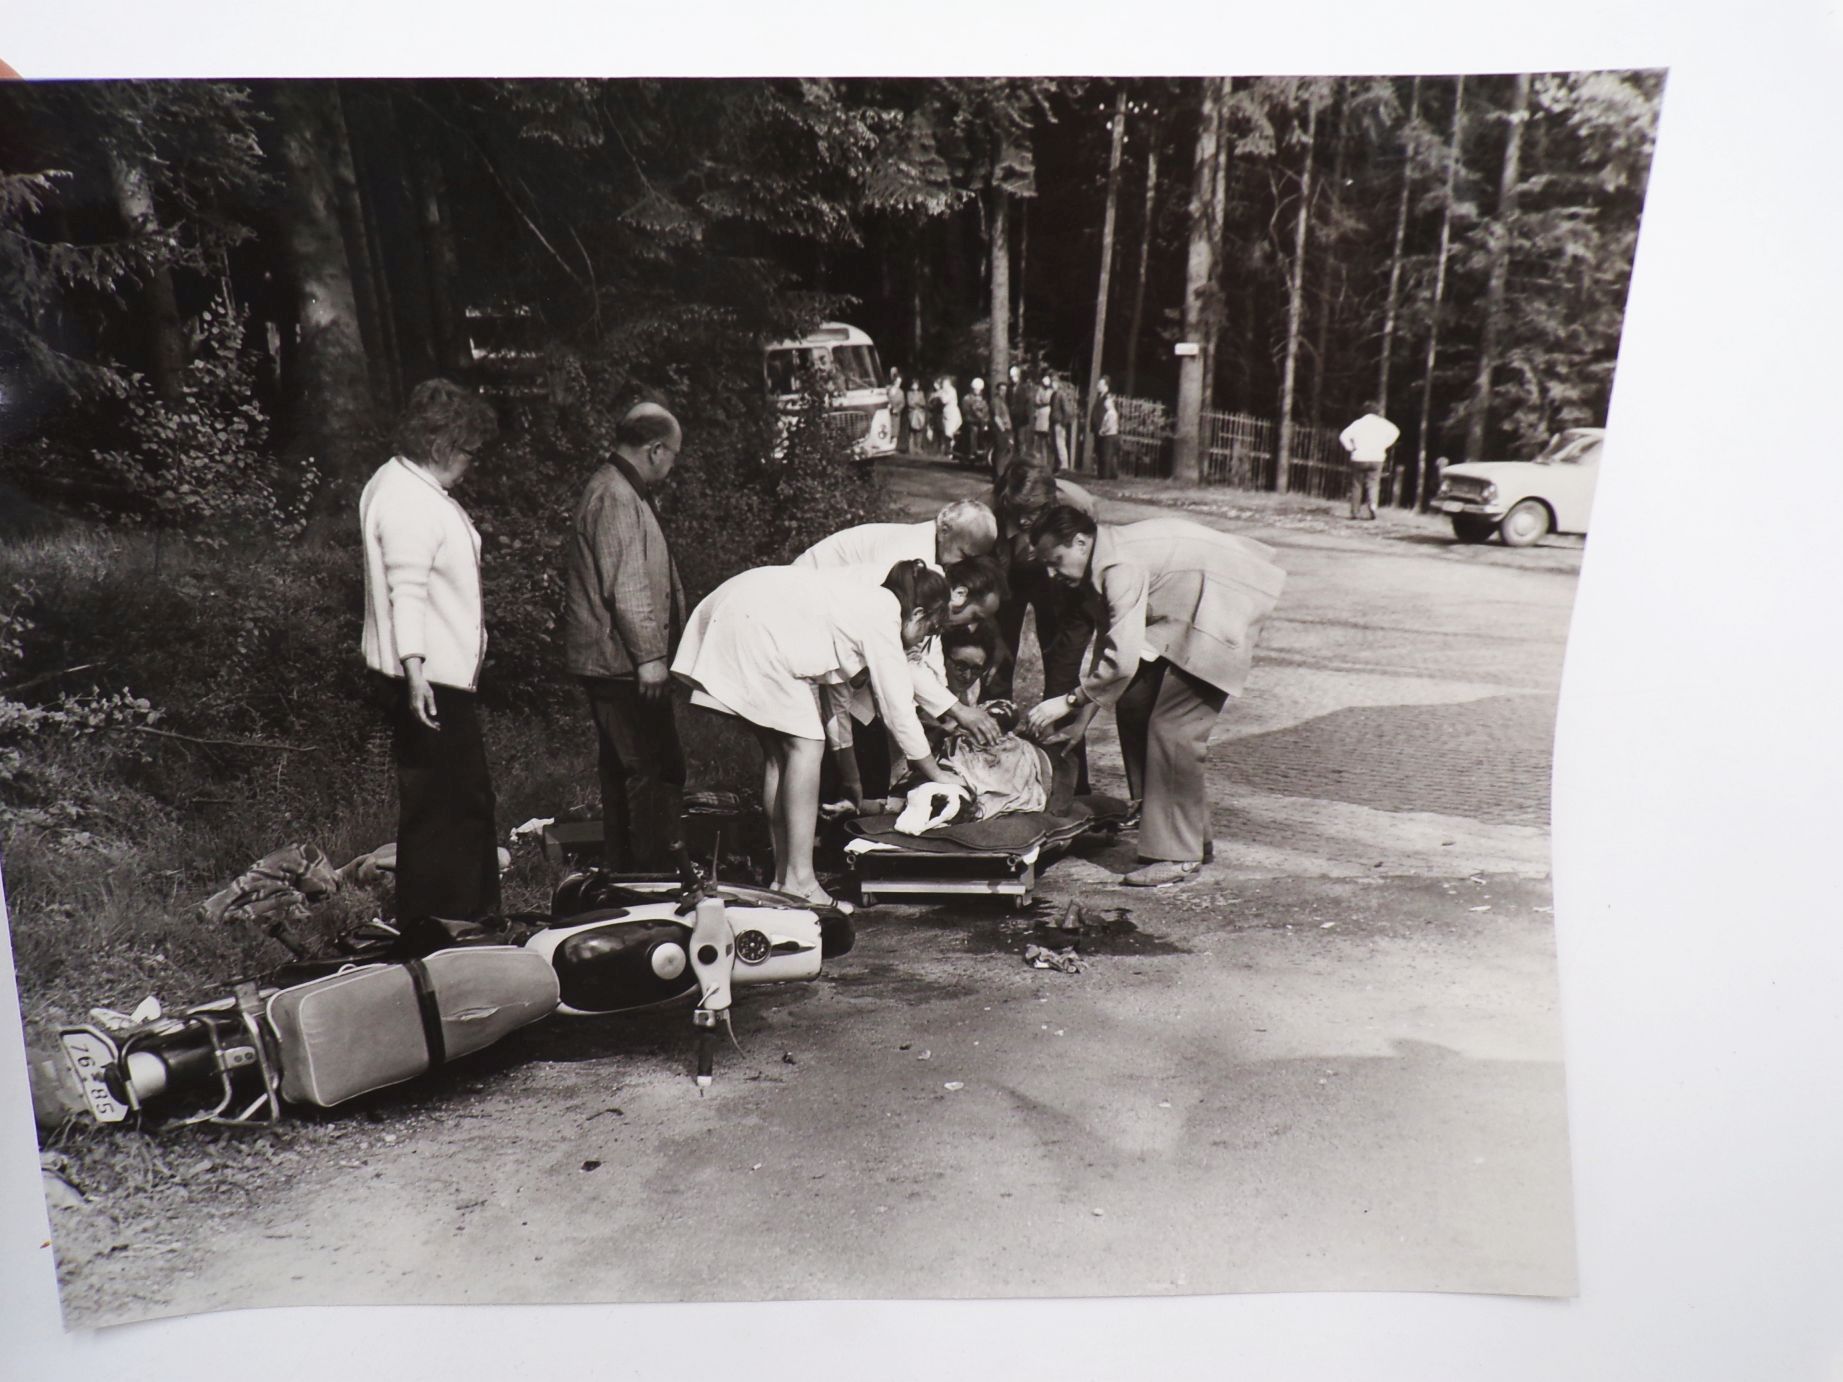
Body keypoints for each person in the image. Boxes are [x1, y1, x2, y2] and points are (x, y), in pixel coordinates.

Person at [1027, 505, 1286, 887]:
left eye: (1056, 561)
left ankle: (1177, 854)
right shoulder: (1100, 561)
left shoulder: (1118, 567)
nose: (1051, 573)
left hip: (1222, 603)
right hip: (1191, 604)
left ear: (1080, 542)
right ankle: (1188, 834)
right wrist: (1081, 723)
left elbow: (1122, 661)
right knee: (1134, 704)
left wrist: (1067, 702)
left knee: (1173, 730)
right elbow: (1111, 645)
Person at [671, 560, 955, 908]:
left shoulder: (861, 607)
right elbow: (899, 711)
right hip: (753, 623)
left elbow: (836, 707)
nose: (925, 639)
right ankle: (802, 882)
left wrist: (852, 780)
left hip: (739, 610)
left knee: (782, 753)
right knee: (806, 744)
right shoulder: (884, 614)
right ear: (918, 613)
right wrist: (939, 777)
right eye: (930, 629)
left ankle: (783, 878)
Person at [359, 378, 502, 950]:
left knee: (450, 803)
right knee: (450, 807)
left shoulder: (402, 483)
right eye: (468, 451)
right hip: (429, 679)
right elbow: (406, 589)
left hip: (434, 674)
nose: (471, 464)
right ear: (442, 443)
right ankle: (448, 926)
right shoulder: (409, 500)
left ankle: (451, 920)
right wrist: (416, 668)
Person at [561, 402, 689, 874]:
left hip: (622, 661)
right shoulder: (615, 495)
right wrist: (651, 657)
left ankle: (629, 871)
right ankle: (649, 877)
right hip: (621, 663)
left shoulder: (621, 490)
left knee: (628, 772)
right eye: (673, 455)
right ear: (655, 449)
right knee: (650, 772)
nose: (672, 466)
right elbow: (627, 582)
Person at [988, 461, 1099, 790]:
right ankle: (999, 774)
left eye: (1032, 511)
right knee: (996, 667)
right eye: (1016, 510)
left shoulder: (1077, 507)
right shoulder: (986, 510)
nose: (1023, 520)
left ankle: (1070, 787)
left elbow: (1089, 563)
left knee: (1062, 682)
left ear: (1051, 502)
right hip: (1008, 578)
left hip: (1064, 582)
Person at [791, 498, 998, 572]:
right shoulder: (909, 554)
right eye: (963, 554)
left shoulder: (930, 544)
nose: (964, 565)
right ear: (944, 529)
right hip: (809, 585)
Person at [1339, 401, 1401, 520]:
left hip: (1359, 457)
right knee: (1373, 484)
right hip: (1377, 457)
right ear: (1377, 412)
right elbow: (1396, 432)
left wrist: (1350, 448)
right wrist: (1385, 445)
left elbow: (1343, 436)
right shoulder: (1383, 424)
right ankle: (1373, 506)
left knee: (1357, 485)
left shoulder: (1358, 423)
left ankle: (1355, 512)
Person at [1090, 374, 1120, 479]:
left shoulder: (1107, 398)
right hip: (1099, 429)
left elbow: (1104, 414)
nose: (1098, 386)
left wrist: (1101, 428)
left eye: (1100, 384)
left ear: (1106, 385)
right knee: (1099, 451)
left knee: (1104, 453)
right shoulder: (1100, 396)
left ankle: (1105, 474)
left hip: (1103, 430)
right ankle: (1102, 473)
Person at [961, 376, 992, 469]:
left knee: (987, 430)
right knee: (974, 430)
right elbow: (966, 411)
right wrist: (975, 416)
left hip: (981, 421)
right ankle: (972, 451)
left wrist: (986, 418)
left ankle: (984, 448)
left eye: (979, 389)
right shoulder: (967, 398)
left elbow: (986, 410)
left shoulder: (983, 400)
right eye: (976, 389)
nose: (977, 391)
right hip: (970, 421)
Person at [1049, 372, 1076, 471]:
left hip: (1059, 422)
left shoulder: (1060, 394)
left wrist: (1063, 422)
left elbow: (1067, 410)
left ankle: (1064, 466)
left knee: (1060, 444)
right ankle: (1059, 465)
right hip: (1055, 421)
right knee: (1056, 444)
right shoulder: (1056, 394)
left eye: (1053, 382)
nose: (1052, 385)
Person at [1031, 369, 1055, 464]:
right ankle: (1039, 460)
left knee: (1046, 441)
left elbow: (1045, 400)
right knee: (1038, 441)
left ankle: (1046, 461)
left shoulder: (1050, 391)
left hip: (1046, 415)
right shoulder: (1040, 390)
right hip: (1040, 415)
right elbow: (1037, 400)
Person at [937, 374, 961, 458]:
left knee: (950, 433)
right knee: (947, 433)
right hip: (947, 413)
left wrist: (940, 394)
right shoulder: (945, 391)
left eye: (945, 383)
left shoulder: (951, 391)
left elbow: (944, 400)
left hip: (951, 413)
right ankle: (948, 451)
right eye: (943, 384)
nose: (944, 385)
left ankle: (950, 453)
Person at [887, 369, 908, 453]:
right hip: (887, 414)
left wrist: (897, 409)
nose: (898, 384)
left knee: (895, 432)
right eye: (897, 381)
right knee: (887, 430)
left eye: (900, 382)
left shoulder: (901, 392)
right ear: (894, 381)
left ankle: (893, 448)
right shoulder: (888, 389)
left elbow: (902, 403)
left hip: (896, 415)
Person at [905, 377, 928, 455]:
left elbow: (923, 403)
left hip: (919, 414)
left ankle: (918, 448)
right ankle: (911, 448)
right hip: (912, 413)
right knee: (911, 431)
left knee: (919, 431)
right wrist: (917, 403)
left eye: (916, 385)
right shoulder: (909, 393)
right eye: (913, 385)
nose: (915, 386)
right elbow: (909, 403)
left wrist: (916, 403)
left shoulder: (921, 393)